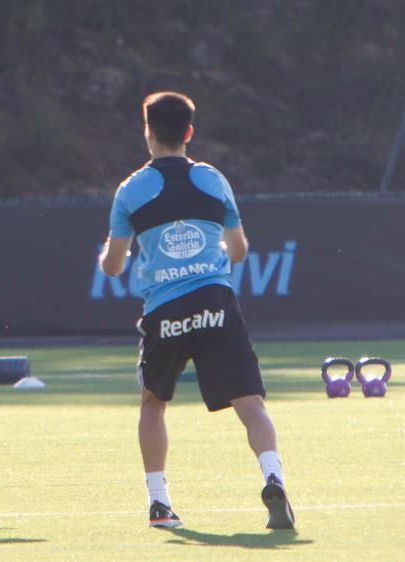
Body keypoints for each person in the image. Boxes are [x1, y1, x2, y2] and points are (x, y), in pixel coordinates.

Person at [98, 91, 294, 530]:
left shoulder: (131, 190)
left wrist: (113, 253)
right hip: (214, 302)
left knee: (153, 404)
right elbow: (238, 252)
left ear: (148, 133)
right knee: (251, 403)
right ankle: (273, 476)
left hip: (164, 309)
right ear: (189, 133)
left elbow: (113, 266)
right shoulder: (212, 180)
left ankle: (159, 503)